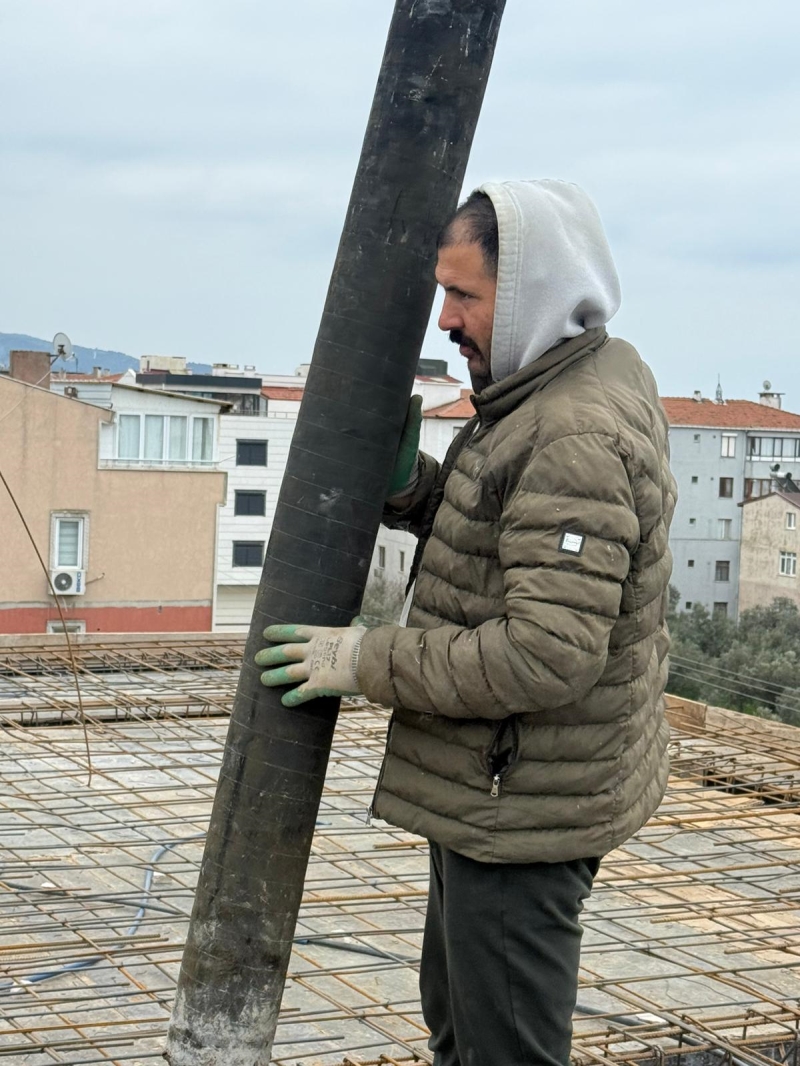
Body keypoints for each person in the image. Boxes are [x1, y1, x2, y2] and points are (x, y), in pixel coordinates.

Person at [255, 179, 676, 1066]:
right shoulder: (556, 378)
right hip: (499, 787)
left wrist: (363, 659)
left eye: (464, 295)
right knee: (459, 1023)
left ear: (528, 293)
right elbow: (502, 536)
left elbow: (546, 653)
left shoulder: (573, 433)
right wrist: (413, 487)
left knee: (501, 1050)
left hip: (521, 807)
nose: (445, 319)